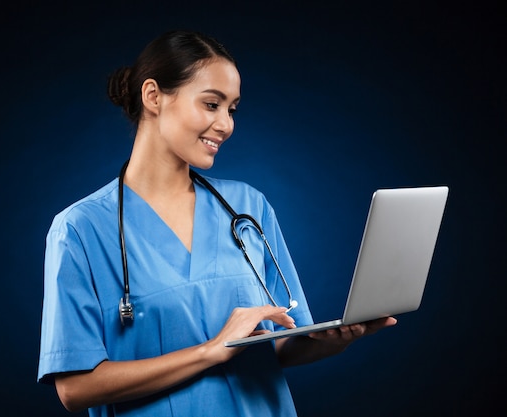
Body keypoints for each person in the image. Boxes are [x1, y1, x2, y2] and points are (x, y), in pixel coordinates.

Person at [37, 30, 396, 416]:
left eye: (232, 109)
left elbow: (281, 343)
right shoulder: (81, 229)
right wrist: (210, 351)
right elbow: (75, 388)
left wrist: (336, 338)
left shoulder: (248, 207)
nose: (226, 124)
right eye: (211, 104)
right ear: (153, 96)